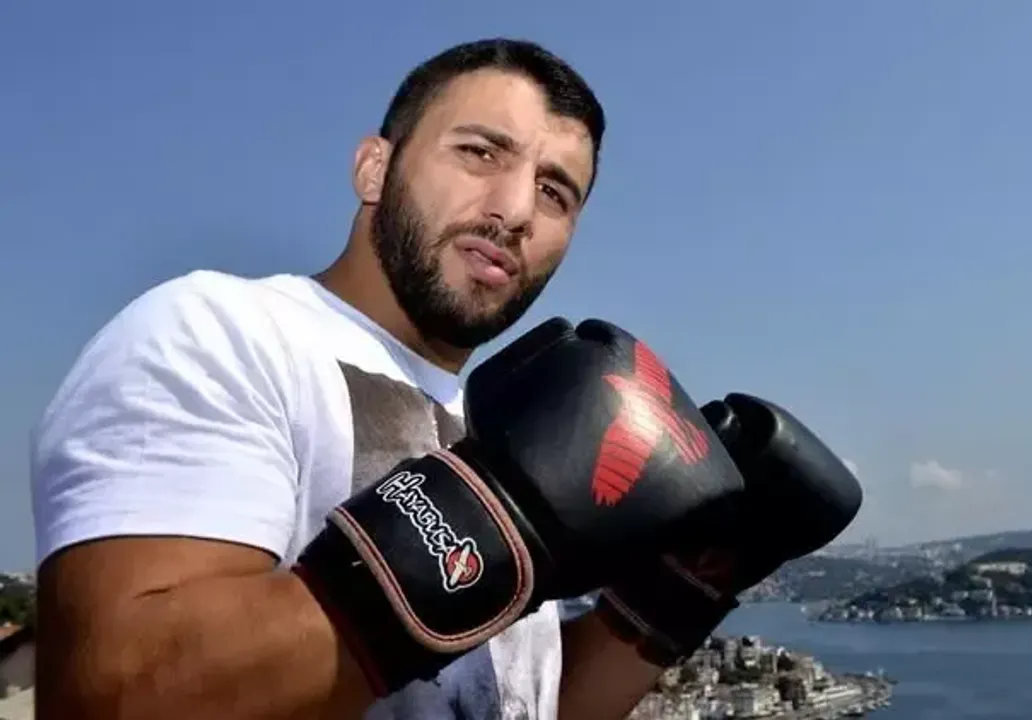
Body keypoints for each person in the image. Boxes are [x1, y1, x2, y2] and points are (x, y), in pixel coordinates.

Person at [31, 35, 864, 720]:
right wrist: (497, 515)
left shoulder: (506, 418)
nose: (516, 210)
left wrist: (683, 588)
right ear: (373, 168)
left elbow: (526, 706)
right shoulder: (219, 331)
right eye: (479, 152)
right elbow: (119, 697)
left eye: (556, 192)